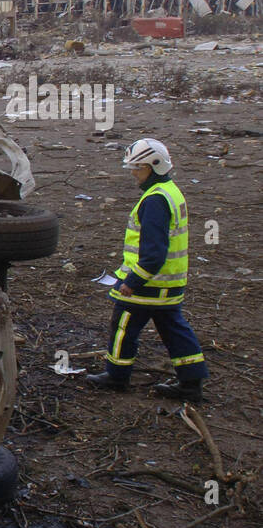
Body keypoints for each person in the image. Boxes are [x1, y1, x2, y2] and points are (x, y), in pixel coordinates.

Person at [85, 139, 208, 402]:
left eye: (137, 168)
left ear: (152, 167)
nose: (133, 173)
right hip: (171, 283)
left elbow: (154, 252)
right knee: (174, 327)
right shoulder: (171, 191)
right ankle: (192, 381)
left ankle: (116, 376)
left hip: (149, 284)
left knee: (123, 325)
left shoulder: (154, 201)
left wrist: (132, 281)